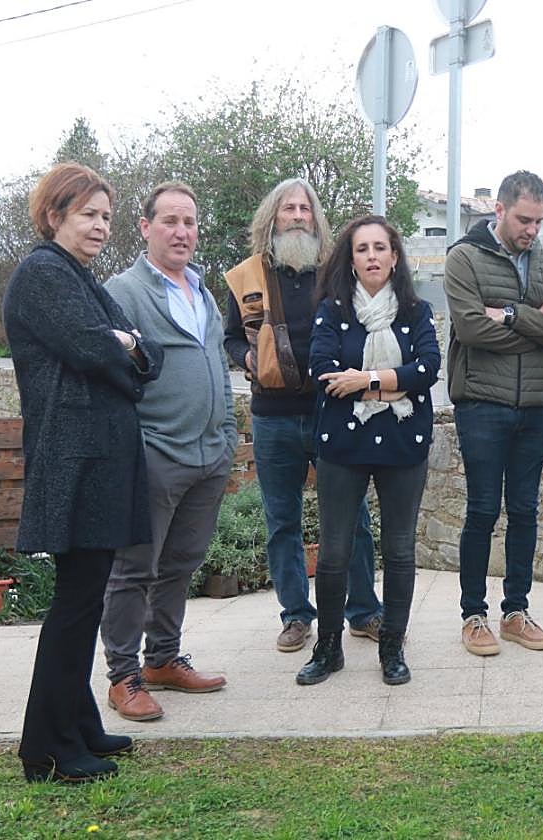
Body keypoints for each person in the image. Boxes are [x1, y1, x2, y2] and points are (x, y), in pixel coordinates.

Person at [3, 162, 162, 783]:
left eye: (106, 216)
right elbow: (96, 348)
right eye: (88, 214)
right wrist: (120, 345)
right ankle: (46, 748)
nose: (100, 226)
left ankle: (79, 724)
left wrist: (123, 346)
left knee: (86, 598)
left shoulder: (79, 277)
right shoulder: (44, 273)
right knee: (75, 603)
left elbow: (145, 355)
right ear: (54, 216)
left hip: (98, 458)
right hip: (76, 460)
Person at [224, 178, 382, 653]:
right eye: (288, 208)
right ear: (272, 217)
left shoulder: (337, 274)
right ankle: (295, 615)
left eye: (305, 209)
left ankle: (364, 611)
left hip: (332, 411)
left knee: (353, 517)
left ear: (315, 219)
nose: (297, 216)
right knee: (282, 522)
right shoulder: (245, 276)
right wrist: (247, 358)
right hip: (272, 416)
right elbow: (230, 336)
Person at [101, 182, 236, 722]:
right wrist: (136, 449)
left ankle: (161, 660)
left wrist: (226, 434)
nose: (182, 232)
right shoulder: (123, 291)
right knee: (134, 569)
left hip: (208, 456)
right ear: (146, 227)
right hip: (154, 454)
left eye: (190, 222)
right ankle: (123, 676)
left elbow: (218, 366)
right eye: (170, 221)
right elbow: (112, 375)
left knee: (181, 564)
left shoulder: (202, 291)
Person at [444, 170, 543, 656]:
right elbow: (471, 329)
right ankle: (473, 616)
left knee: (524, 511)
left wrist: (510, 314)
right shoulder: (463, 258)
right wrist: (538, 325)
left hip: (534, 408)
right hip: (481, 404)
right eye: (524, 219)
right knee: (482, 510)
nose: (532, 230)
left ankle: (516, 613)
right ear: (500, 210)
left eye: (539, 221)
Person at [297, 215, 439, 686]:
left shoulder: (415, 311)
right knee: (334, 552)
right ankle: (328, 648)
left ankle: (392, 648)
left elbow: (428, 368)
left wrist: (365, 380)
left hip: (403, 444)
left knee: (399, 551)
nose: (372, 256)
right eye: (363, 249)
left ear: (395, 257)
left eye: (381, 247)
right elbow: (322, 370)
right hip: (343, 444)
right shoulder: (332, 310)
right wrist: (396, 386)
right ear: (351, 260)